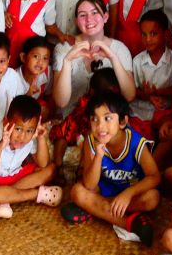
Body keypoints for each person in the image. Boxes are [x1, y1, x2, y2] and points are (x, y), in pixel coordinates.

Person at [61, 91, 160, 245]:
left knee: (152, 198)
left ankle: (94, 209)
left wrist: (127, 194)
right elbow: (89, 184)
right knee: (77, 192)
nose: (100, 126)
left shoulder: (136, 142)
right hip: (105, 189)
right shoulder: (91, 141)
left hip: (132, 192)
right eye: (94, 119)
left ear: (122, 122)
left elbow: (154, 177)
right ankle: (129, 222)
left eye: (107, 118)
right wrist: (98, 156)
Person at [51, 0, 135, 149]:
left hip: (107, 125)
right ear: (76, 21)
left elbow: (129, 96)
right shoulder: (63, 48)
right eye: (82, 15)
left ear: (105, 17)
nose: (89, 19)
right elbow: (60, 102)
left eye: (95, 13)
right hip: (72, 122)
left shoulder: (119, 49)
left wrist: (112, 57)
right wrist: (68, 61)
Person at [0, 94, 60, 217]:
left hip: (12, 178)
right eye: (18, 129)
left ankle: (2, 199)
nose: (22, 137)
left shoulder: (30, 137)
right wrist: (0, 147)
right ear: (6, 121)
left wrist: (41, 138)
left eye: (29, 131)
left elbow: (43, 163)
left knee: (51, 169)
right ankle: (36, 194)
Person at [129, 10, 172, 142]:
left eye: (153, 34)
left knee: (168, 133)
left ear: (165, 34)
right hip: (139, 113)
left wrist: (157, 92)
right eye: (144, 34)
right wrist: (147, 96)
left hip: (164, 113)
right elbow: (132, 91)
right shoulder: (137, 61)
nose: (148, 39)